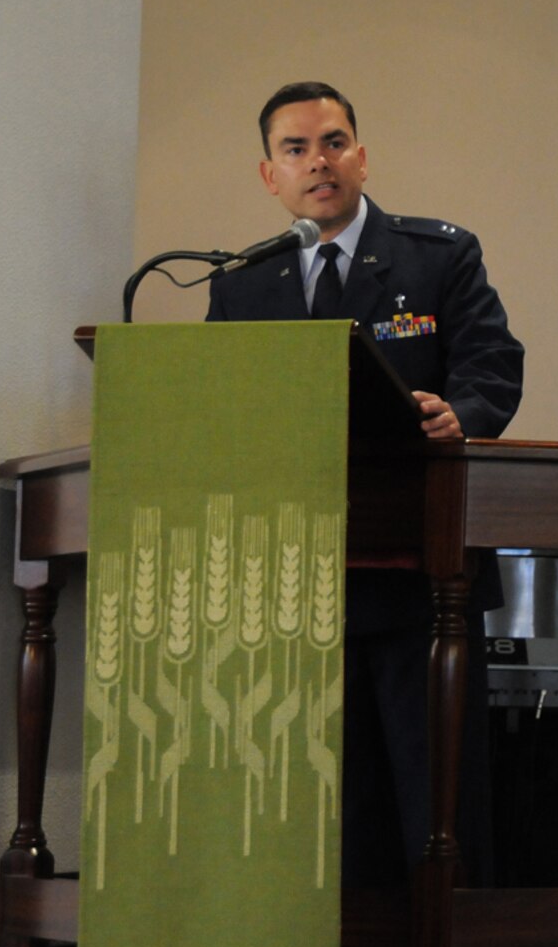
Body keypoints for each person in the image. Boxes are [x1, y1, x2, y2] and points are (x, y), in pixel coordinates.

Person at [208, 80, 525, 886]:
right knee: (322, 817)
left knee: (437, 808)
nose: (320, 161)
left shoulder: (439, 255)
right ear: (268, 174)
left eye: (334, 141)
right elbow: (219, 412)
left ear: (361, 155)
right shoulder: (242, 284)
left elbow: (493, 369)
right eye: (297, 148)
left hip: (425, 586)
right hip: (292, 590)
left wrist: (462, 413)